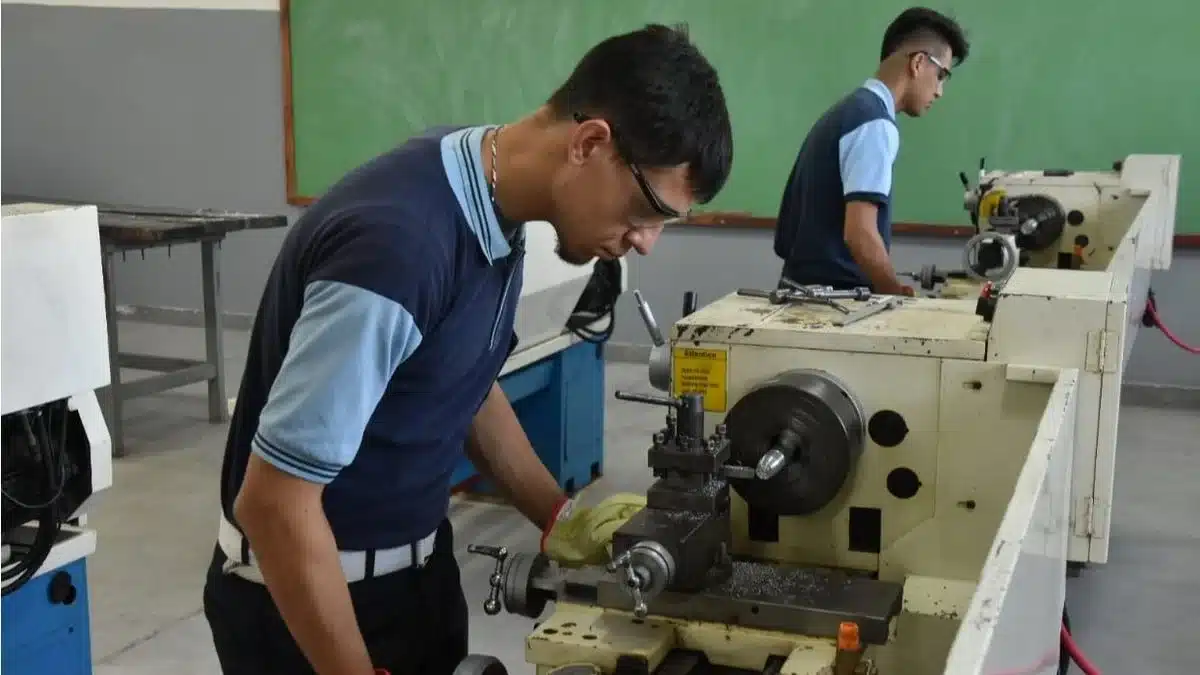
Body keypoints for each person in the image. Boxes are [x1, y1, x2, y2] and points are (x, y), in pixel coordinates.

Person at [201, 23, 733, 675]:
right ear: (590, 143)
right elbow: (275, 504)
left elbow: (464, 384)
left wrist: (559, 518)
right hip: (306, 611)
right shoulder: (398, 246)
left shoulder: (493, 202)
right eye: (649, 211)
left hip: (416, 582)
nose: (646, 241)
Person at [771, 7, 969, 295]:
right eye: (941, 75)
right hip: (835, 303)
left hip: (803, 292)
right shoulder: (875, 124)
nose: (939, 92)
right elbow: (860, 233)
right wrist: (894, 293)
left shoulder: (848, 112)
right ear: (918, 63)